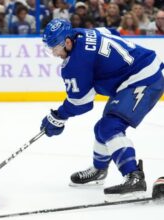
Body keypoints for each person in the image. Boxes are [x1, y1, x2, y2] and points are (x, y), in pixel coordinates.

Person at [40, 18, 164, 199]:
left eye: (55, 48)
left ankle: (134, 176)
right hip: (132, 76)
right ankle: (99, 170)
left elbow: (81, 102)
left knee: (110, 127)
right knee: (102, 128)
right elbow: (112, 32)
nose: (53, 52)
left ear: (67, 42)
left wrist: (58, 117)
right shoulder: (82, 32)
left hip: (144, 79)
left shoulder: (75, 63)